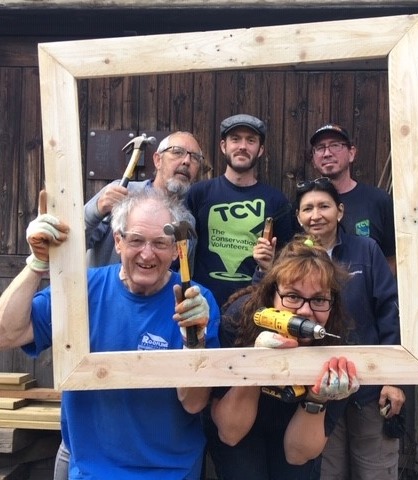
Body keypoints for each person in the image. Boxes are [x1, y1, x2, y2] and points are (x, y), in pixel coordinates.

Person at [0, 189, 220, 480]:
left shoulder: (196, 303)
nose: (147, 253)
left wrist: (194, 342)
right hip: (91, 472)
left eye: (160, 243)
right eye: (136, 240)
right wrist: (37, 264)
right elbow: (6, 334)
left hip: (171, 472)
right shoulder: (82, 290)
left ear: (175, 249)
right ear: (118, 241)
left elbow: (193, 403)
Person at [205, 236, 360, 480]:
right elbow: (229, 433)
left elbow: (297, 455)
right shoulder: (239, 319)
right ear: (271, 296)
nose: (306, 311)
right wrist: (256, 365)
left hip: (297, 427)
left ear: (333, 303)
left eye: (319, 299)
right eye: (293, 297)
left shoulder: (338, 340)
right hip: (239, 425)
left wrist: (318, 398)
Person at [291, 177, 404, 479]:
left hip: (370, 389)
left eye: (324, 206)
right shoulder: (292, 259)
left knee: (375, 471)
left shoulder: (366, 250)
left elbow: (389, 313)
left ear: (339, 212)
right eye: (308, 209)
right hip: (318, 388)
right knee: (327, 472)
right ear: (299, 218)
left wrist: (394, 380)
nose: (316, 215)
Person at [186, 114, 293, 308]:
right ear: (223, 146)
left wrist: (271, 262)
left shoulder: (277, 202)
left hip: (253, 305)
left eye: (250, 140)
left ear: (260, 150)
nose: (242, 146)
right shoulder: (198, 194)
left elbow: (289, 262)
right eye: (235, 139)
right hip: (200, 303)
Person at [85, 130, 203, 268]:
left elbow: (184, 275)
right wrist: (96, 210)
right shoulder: (119, 194)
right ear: (158, 160)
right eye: (177, 152)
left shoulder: (187, 222)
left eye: (195, 157)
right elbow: (74, 242)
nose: (187, 161)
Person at [309, 123, 396, 274]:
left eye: (335, 145)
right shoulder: (307, 205)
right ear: (314, 159)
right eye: (320, 148)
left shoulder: (378, 200)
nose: (327, 153)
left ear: (351, 153)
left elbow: (392, 258)